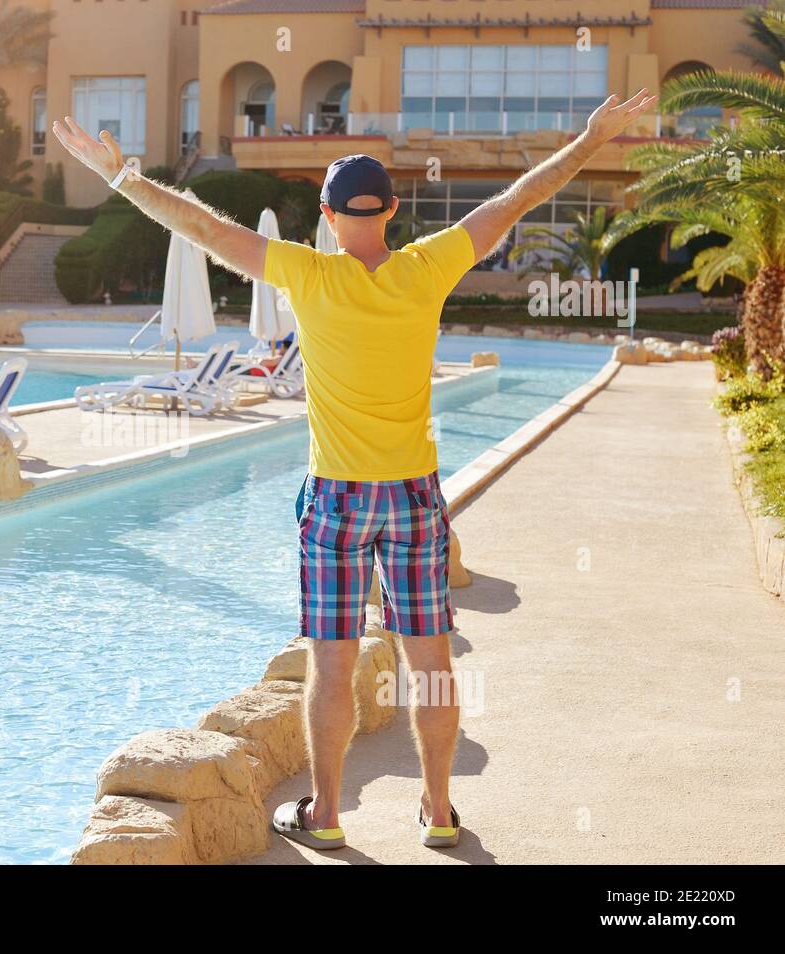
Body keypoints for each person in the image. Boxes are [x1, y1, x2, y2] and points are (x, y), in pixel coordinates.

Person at [51, 90, 657, 851]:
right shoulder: (427, 268)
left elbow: (203, 227)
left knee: (331, 667)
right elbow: (520, 195)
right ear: (393, 211)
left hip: (336, 500)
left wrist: (124, 178)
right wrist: (592, 139)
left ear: (330, 219)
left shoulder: (307, 273)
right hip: (411, 497)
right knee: (430, 661)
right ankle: (438, 811)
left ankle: (328, 814)